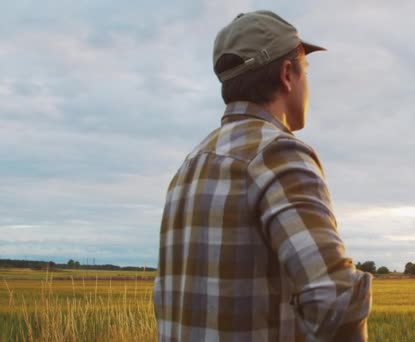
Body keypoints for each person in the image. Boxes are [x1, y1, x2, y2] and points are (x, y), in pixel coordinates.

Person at [154, 10, 371, 341]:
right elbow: (335, 301)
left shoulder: (187, 169)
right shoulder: (278, 154)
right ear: (287, 74)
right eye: (306, 71)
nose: (307, 83)